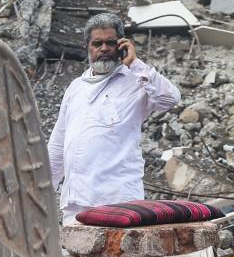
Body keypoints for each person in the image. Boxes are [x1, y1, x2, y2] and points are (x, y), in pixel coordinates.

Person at [47, 13, 180, 222]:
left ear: (122, 45)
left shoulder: (137, 81)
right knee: (76, 255)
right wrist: (43, 192)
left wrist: (135, 64)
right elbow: (58, 145)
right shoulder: (76, 89)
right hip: (76, 202)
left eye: (111, 42)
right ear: (87, 48)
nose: (104, 49)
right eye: (97, 43)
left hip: (119, 202)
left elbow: (170, 99)